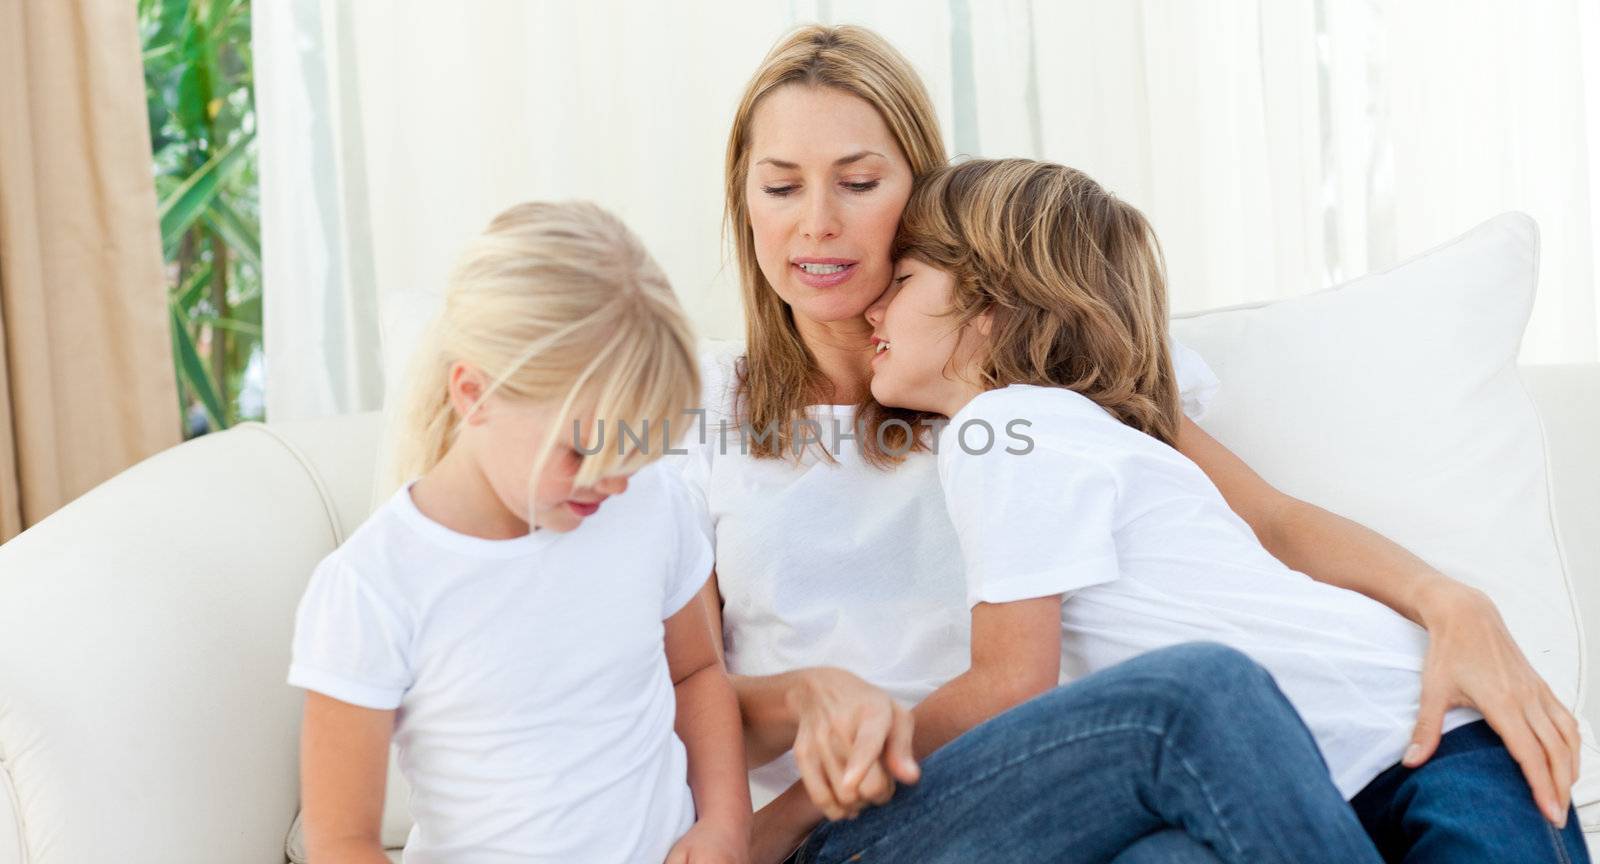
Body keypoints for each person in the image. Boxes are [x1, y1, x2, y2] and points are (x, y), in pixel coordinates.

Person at [687, 23, 1580, 862]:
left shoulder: (1037, 395)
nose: (818, 223)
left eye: (858, 181)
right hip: (879, 808)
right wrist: (798, 741)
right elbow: (680, 684)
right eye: (780, 186)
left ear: (923, 195)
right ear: (743, 202)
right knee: (1199, 697)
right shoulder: (698, 417)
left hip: (1093, 790)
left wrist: (1450, 601)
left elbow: (1265, 518)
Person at [861, 156, 1589, 862]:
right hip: (1323, 768)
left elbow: (1010, 678)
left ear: (989, 306)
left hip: (1425, 722)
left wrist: (815, 809)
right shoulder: (1073, 428)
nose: (873, 305)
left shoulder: (1006, 426)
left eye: (902, 279)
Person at [288, 202, 751, 863]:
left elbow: (698, 673)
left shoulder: (652, 505)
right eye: (583, 448)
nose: (615, 480)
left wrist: (725, 825)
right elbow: (342, 842)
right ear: (473, 394)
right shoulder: (374, 587)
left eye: (632, 442)